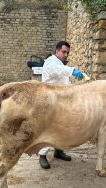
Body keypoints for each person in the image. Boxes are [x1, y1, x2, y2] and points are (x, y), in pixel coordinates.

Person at [38, 40, 84, 169]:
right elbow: (59, 71)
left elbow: (63, 79)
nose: (66, 55)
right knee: (48, 130)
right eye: (64, 52)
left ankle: (58, 151)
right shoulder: (51, 62)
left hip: (61, 102)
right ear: (57, 51)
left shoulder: (59, 63)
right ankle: (42, 155)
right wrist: (73, 71)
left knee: (61, 128)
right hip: (50, 101)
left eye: (67, 53)